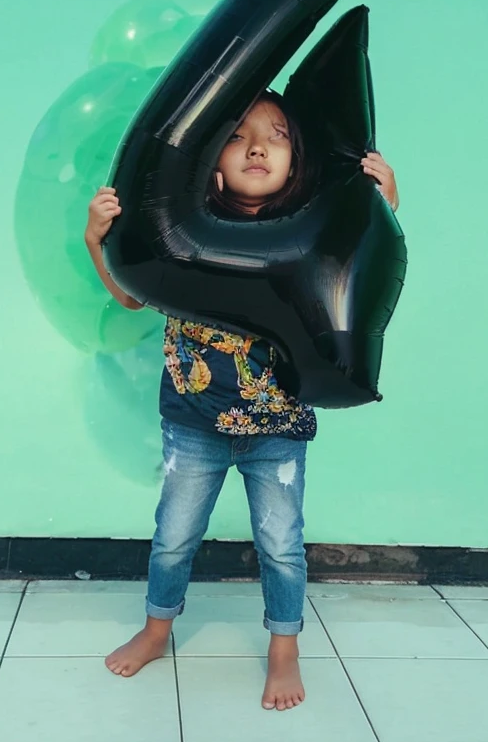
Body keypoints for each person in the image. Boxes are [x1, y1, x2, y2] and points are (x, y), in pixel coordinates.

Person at [85, 90, 399, 709]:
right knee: (174, 536)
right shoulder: (183, 228)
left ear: (296, 157)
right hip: (193, 423)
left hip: (277, 428)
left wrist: (384, 202)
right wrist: (98, 241)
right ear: (211, 154)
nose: (257, 145)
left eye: (276, 134)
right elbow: (129, 297)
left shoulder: (308, 231)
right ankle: (157, 629)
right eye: (237, 134)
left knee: (280, 544)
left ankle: (285, 647)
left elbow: (360, 274)